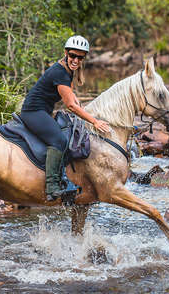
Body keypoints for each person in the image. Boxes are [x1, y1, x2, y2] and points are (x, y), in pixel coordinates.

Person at [20, 35, 110, 201]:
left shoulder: (67, 70)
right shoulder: (59, 72)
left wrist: (83, 107)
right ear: (66, 53)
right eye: (73, 56)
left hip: (43, 111)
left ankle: (64, 176)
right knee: (59, 140)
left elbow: (71, 95)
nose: (76, 60)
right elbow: (70, 105)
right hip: (33, 111)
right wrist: (94, 121)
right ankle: (52, 186)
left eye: (80, 57)